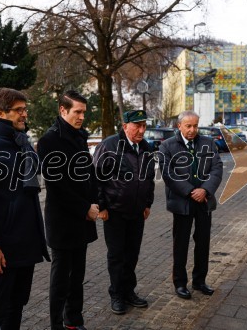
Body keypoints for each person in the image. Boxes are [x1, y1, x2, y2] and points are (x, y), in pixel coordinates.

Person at [0, 88, 50, 330]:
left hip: (26, 241)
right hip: (3, 246)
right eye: (18, 110)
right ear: (0, 113)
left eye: (25, 110)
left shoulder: (21, 142)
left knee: (17, 304)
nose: (24, 114)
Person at [37, 90, 98, 330]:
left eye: (84, 112)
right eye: (77, 112)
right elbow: (57, 185)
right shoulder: (49, 140)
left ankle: (74, 320)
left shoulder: (80, 136)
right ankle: (56, 325)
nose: (82, 116)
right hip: (63, 220)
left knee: (78, 278)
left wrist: (95, 202)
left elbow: (89, 174)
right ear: (63, 110)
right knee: (61, 280)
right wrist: (85, 208)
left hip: (83, 218)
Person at [93, 110, 155, 315]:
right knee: (117, 255)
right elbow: (96, 178)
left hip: (137, 211)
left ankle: (129, 291)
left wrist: (147, 203)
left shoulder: (146, 147)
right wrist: (101, 206)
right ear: (125, 125)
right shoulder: (110, 145)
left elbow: (149, 178)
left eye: (144, 126)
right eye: (137, 126)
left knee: (132, 254)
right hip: (115, 212)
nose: (141, 130)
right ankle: (117, 294)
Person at [158, 110, 223, 300]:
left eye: (195, 125)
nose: (192, 130)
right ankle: (180, 283)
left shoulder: (208, 143)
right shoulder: (168, 146)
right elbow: (168, 173)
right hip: (182, 203)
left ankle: (199, 281)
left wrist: (205, 190)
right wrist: (189, 191)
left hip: (204, 202)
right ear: (179, 126)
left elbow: (217, 169)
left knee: (203, 243)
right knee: (181, 244)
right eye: (188, 126)